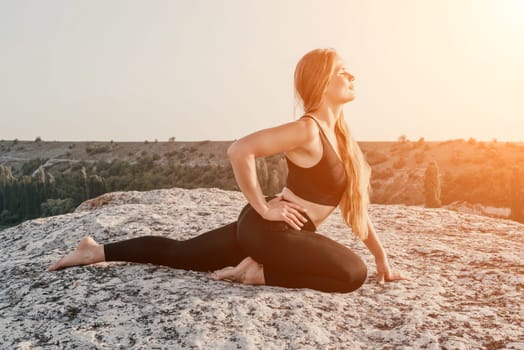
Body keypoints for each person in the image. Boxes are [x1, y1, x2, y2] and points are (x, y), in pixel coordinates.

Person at [49, 48, 408, 293]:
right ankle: (258, 272)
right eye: (341, 71)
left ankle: (96, 251)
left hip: (277, 235)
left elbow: (355, 211)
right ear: (322, 82)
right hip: (270, 231)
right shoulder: (308, 129)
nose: (351, 75)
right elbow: (240, 150)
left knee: (182, 255)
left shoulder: (340, 138)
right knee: (350, 274)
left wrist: (383, 259)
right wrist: (265, 207)